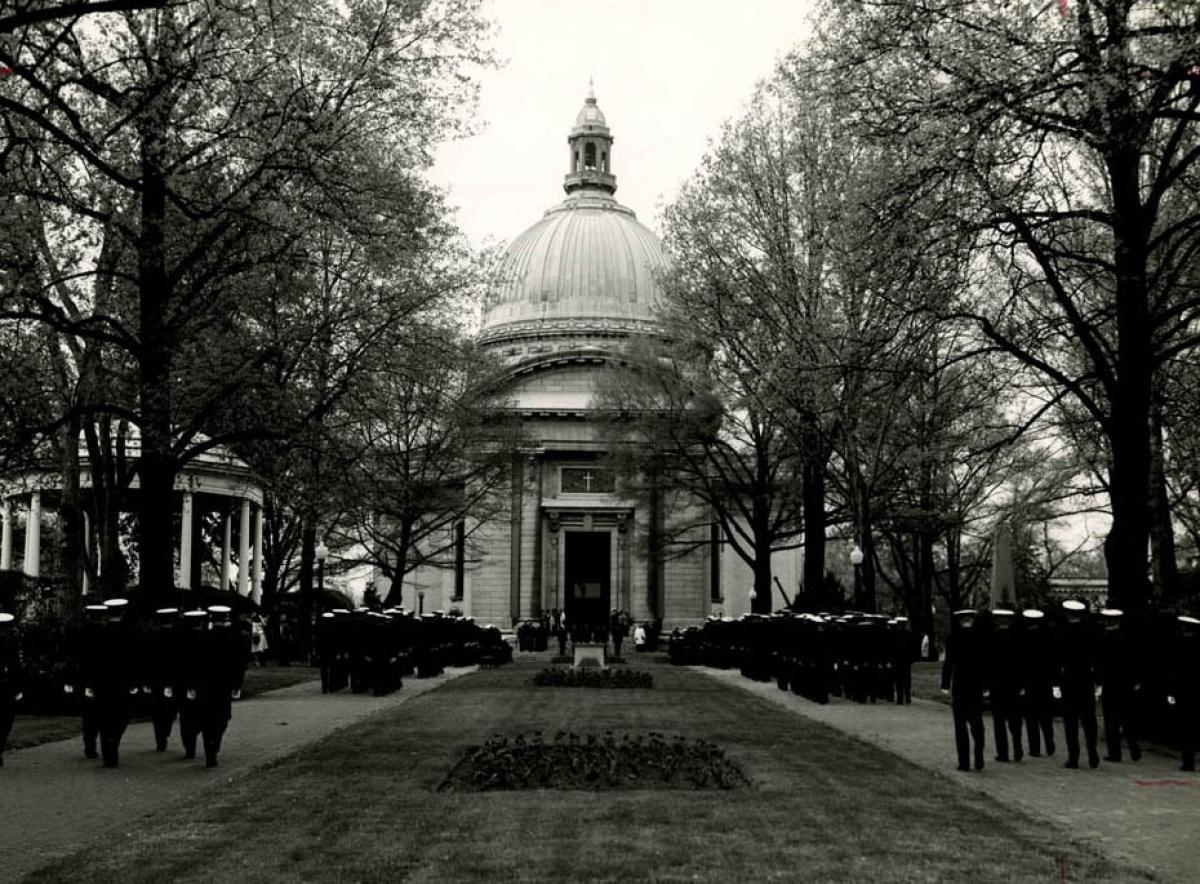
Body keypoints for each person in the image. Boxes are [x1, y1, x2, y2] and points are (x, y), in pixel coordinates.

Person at [1056, 599, 1101, 770]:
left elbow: (1058, 658)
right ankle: (1092, 754)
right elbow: (1097, 657)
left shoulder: (1062, 632)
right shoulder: (1090, 632)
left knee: (1071, 721)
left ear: (1067, 614)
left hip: (1069, 680)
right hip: (1086, 680)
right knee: (1089, 720)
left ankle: (1073, 757)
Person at [942, 609, 987, 772]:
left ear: (960, 621)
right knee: (977, 721)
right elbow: (985, 663)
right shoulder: (981, 638)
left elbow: (948, 663)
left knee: (960, 725)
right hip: (976, 684)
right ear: (972, 620)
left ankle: (964, 762)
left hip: (960, 684)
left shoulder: (953, 638)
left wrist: (945, 685)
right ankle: (979, 752)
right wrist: (986, 685)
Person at [94, 598, 136, 768]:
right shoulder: (128, 634)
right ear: (123, 612)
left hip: (103, 682)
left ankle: (107, 746)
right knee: (121, 715)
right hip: (122, 683)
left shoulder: (100, 634)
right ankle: (113, 741)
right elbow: (133, 659)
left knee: (105, 715)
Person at [63, 603, 108, 759]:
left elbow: (71, 657)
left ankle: (90, 744)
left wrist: (69, 680)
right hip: (102, 679)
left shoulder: (79, 632)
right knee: (102, 713)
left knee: (88, 715)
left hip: (84, 678)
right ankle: (100, 743)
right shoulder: (105, 633)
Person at [1097, 608, 1141, 763]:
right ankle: (1134, 748)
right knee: (1128, 718)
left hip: (1110, 683)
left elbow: (1100, 663)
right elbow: (1135, 661)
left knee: (1111, 719)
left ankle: (1115, 753)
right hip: (1126, 683)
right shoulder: (1127, 638)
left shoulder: (1104, 638)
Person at [987, 609, 1024, 762]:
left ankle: (1003, 753)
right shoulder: (1018, 638)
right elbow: (1022, 663)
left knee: (999, 720)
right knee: (1015, 719)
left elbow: (988, 663)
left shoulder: (992, 638)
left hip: (997, 685)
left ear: (997, 621)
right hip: (1013, 685)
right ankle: (1018, 748)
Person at [1019, 609, 1056, 757]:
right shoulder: (1047, 638)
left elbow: (1021, 662)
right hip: (1045, 682)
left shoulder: (1024, 638)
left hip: (1029, 682)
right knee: (1046, 715)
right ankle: (1049, 742)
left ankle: (1035, 748)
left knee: (1031, 717)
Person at [146, 607, 182, 752]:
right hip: (173, 677)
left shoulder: (153, 635)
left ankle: (160, 735)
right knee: (171, 707)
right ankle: (164, 730)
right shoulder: (177, 636)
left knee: (157, 708)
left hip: (157, 677)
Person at [1166, 615, 1199, 772]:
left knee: (1185, 726)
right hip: (1195, 691)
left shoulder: (1179, 644)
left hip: (1183, 691)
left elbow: (1174, 670)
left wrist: (1171, 692)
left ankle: (1188, 761)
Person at [0, 612, 23, 767]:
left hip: (6, 684)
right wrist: (18, 688)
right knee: (6, 719)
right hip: (6, 686)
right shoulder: (11, 643)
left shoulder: (11, 642)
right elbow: (16, 667)